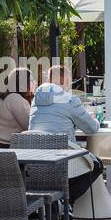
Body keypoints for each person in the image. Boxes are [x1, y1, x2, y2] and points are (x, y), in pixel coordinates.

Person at [29, 63, 104, 204]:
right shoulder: (70, 100)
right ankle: (66, 202)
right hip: (64, 157)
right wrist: (94, 118)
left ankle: (57, 203)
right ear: (66, 81)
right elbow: (92, 129)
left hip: (38, 158)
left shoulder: (36, 100)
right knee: (97, 165)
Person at [0, 67, 32, 145]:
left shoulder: (5, 96)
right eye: (31, 80)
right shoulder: (16, 99)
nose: (35, 82)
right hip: (5, 147)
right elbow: (29, 126)